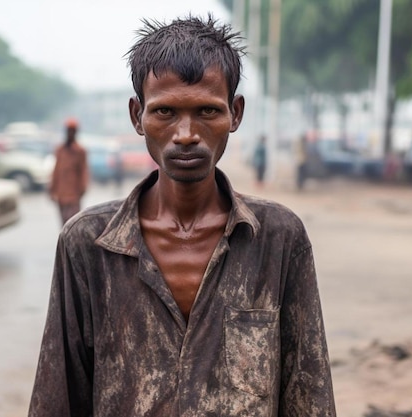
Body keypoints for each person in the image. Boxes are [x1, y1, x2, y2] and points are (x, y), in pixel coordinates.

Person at [29, 15, 335, 417]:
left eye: (207, 111)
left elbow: (307, 390)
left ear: (235, 114)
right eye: (165, 112)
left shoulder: (278, 238)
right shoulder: (87, 243)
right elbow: (60, 396)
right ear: (137, 116)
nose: (186, 133)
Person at [48, 117, 90, 225]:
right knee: (63, 223)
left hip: (73, 194)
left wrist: (82, 189)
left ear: (75, 133)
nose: (70, 133)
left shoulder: (80, 151)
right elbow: (56, 170)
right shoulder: (60, 150)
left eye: (73, 131)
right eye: (69, 131)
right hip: (61, 193)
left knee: (72, 223)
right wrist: (52, 188)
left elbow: (83, 171)